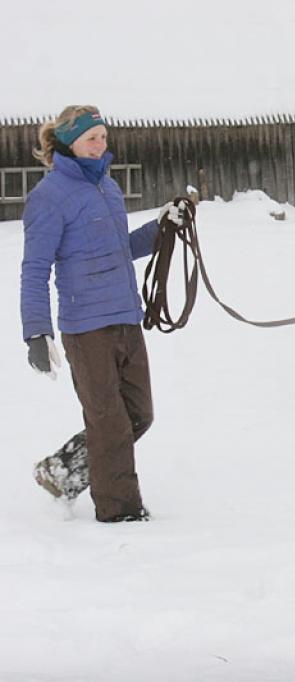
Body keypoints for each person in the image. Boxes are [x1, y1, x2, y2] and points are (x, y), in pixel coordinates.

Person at [20, 105, 190, 522]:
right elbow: (35, 269)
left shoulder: (107, 189)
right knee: (110, 424)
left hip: (125, 318)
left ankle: (62, 471)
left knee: (138, 414)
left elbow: (119, 249)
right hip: (86, 327)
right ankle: (121, 514)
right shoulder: (49, 197)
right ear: (69, 142)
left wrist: (161, 228)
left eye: (104, 137)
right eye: (92, 138)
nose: (101, 145)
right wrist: (37, 332)